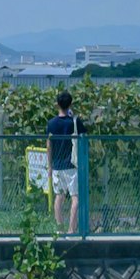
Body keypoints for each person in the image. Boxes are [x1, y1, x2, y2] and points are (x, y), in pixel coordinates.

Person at [43, 90, 81, 234]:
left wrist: (50, 166)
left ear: (57, 104)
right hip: (72, 165)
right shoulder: (74, 122)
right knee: (75, 198)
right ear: (70, 104)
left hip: (57, 165)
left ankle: (60, 229)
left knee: (59, 197)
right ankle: (72, 229)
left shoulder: (51, 124)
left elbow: (48, 145)